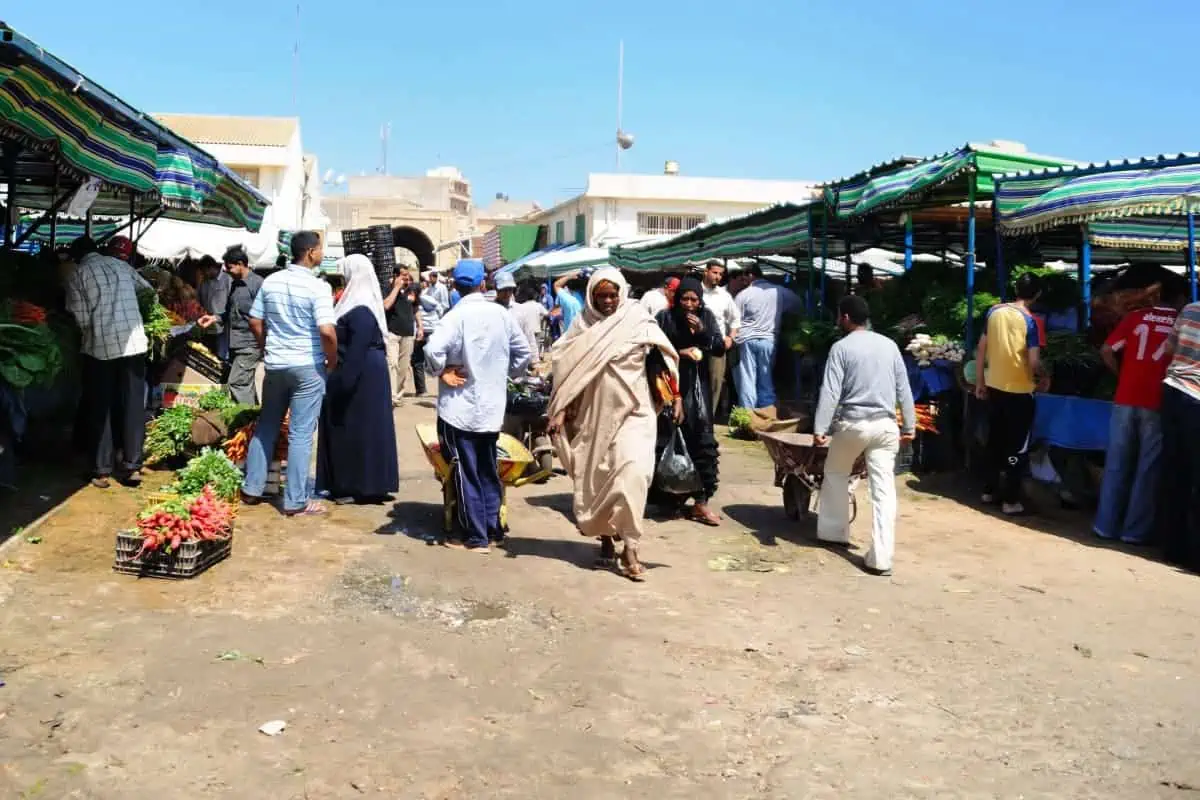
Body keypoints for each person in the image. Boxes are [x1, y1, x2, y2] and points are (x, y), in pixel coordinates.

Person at [548, 268, 679, 581]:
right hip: (593, 415)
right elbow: (565, 369)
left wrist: (676, 396)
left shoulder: (637, 318)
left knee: (634, 473)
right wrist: (560, 409)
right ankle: (606, 537)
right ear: (591, 297)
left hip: (637, 411)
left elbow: (667, 355)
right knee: (599, 478)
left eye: (612, 294)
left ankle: (631, 546)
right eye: (601, 296)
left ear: (622, 293)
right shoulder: (581, 326)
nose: (608, 301)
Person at [425, 259, 532, 553]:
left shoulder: (454, 317)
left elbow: (432, 350)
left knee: (464, 469)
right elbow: (524, 353)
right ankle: (492, 529)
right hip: (491, 407)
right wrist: (503, 374)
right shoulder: (501, 315)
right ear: (483, 283)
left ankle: (475, 536)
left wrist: (441, 371)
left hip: (458, 409)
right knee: (487, 467)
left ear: (455, 286)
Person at [813, 295, 915, 576]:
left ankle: (834, 531)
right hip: (885, 427)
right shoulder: (890, 345)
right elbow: (903, 388)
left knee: (835, 472)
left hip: (853, 426)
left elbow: (831, 391)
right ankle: (881, 558)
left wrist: (820, 428)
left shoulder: (841, 348)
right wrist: (910, 424)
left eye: (838, 315)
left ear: (845, 317)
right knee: (883, 491)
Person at [242, 230, 338, 516]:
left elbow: (255, 321)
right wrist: (332, 360)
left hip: (276, 364)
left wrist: (265, 347)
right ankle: (295, 500)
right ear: (310, 252)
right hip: (307, 366)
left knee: (267, 426)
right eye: (320, 249)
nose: (322, 254)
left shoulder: (271, 281)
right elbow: (326, 330)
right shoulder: (318, 287)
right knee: (300, 434)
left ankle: (251, 488)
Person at [64, 236, 153, 489]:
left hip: (101, 349)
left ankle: (102, 471)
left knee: (100, 408)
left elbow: (81, 320)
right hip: (135, 344)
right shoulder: (120, 265)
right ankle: (132, 466)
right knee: (133, 405)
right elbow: (147, 290)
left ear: (77, 256)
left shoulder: (78, 275)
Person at [1093, 294, 1182, 544]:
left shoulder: (1135, 317)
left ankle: (1105, 525)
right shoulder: (1179, 320)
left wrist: (1122, 374)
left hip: (1125, 396)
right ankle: (1134, 532)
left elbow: (1107, 350)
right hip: (1156, 399)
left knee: (1117, 463)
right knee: (1147, 468)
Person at [315, 255, 399, 504]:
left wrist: (342, 383)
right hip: (364, 371)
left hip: (361, 373)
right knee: (365, 428)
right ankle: (365, 483)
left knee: (357, 428)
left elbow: (356, 349)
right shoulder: (359, 303)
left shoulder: (361, 308)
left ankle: (356, 485)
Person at [650, 277, 724, 525]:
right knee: (666, 439)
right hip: (669, 384)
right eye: (685, 298)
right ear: (677, 298)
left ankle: (701, 502)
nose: (690, 304)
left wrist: (702, 333)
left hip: (697, 386)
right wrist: (678, 353)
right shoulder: (665, 318)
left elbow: (719, 347)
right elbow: (652, 350)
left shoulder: (708, 317)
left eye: (694, 299)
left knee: (701, 440)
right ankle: (670, 499)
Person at [974, 272, 1045, 516]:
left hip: (995, 386)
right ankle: (1011, 500)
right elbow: (1034, 362)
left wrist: (980, 382)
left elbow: (981, 348)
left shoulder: (994, 312)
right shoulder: (1030, 320)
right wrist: (1044, 377)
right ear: (1037, 295)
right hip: (1020, 390)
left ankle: (989, 490)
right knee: (1017, 447)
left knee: (995, 440)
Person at [1158, 295, 1200, 570]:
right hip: (1196, 397)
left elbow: (1166, 349)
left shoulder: (1190, 309)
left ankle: (1172, 547)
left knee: (1175, 471)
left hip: (1172, 390)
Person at [731, 264, 801, 410]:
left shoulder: (744, 294)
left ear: (752, 275)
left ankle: (748, 415)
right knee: (766, 378)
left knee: (747, 379)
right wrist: (780, 310)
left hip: (746, 340)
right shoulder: (779, 291)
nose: (742, 278)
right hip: (769, 340)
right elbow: (797, 304)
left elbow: (735, 320)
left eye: (745, 275)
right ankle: (766, 412)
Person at [214, 245, 264, 405]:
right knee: (245, 384)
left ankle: (245, 421)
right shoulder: (235, 283)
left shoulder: (258, 284)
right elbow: (230, 312)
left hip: (250, 345)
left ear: (241, 264)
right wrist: (214, 318)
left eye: (229, 267)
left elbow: (265, 317)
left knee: (237, 383)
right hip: (236, 343)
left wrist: (263, 344)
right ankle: (251, 421)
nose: (227, 271)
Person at [699, 259, 740, 413]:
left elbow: (735, 320)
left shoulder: (724, 296)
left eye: (720, 274)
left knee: (715, 385)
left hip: (717, 347)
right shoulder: (695, 292)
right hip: (696, 346)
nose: (717, 277)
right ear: (706, 271)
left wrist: (730, 337)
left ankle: (709, 421)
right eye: (715, 273)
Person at [382, 267, 420, 407]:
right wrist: (396, 288)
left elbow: (415, 309)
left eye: (407, 276)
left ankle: (398, 395)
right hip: (392, 332)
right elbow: (386, 305)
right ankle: (390, 396)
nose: (406, 278)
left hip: (408, 333)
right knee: (392, 364)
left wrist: (420, 326)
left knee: (403, 367)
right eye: (403, 275)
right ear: (396, 276)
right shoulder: (387, 289)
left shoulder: (412, 290)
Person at [196, 255, 232, 360]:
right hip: (208, 326)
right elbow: (200, 300)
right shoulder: (204, 282)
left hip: (223, 326)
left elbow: (233, 302)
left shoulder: (227, 280)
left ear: (212, 268)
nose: (204, 274)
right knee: (208, 355)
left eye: (204, 271)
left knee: (222, 356)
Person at [511, 283, 550, 361]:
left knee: (527, 345)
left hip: (526, 330)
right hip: (536, 329)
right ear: (535, 296)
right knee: (536, 345)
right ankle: (535, 361)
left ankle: (529, 361)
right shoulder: (538, 305)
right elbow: (547, 314)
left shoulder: (522, 306)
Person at [552, 268, 592, 333]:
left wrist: (569, 276)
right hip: (585, 334)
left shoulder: (567, 299)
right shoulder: (589, 298)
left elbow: (556, 285)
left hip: (569, 335)